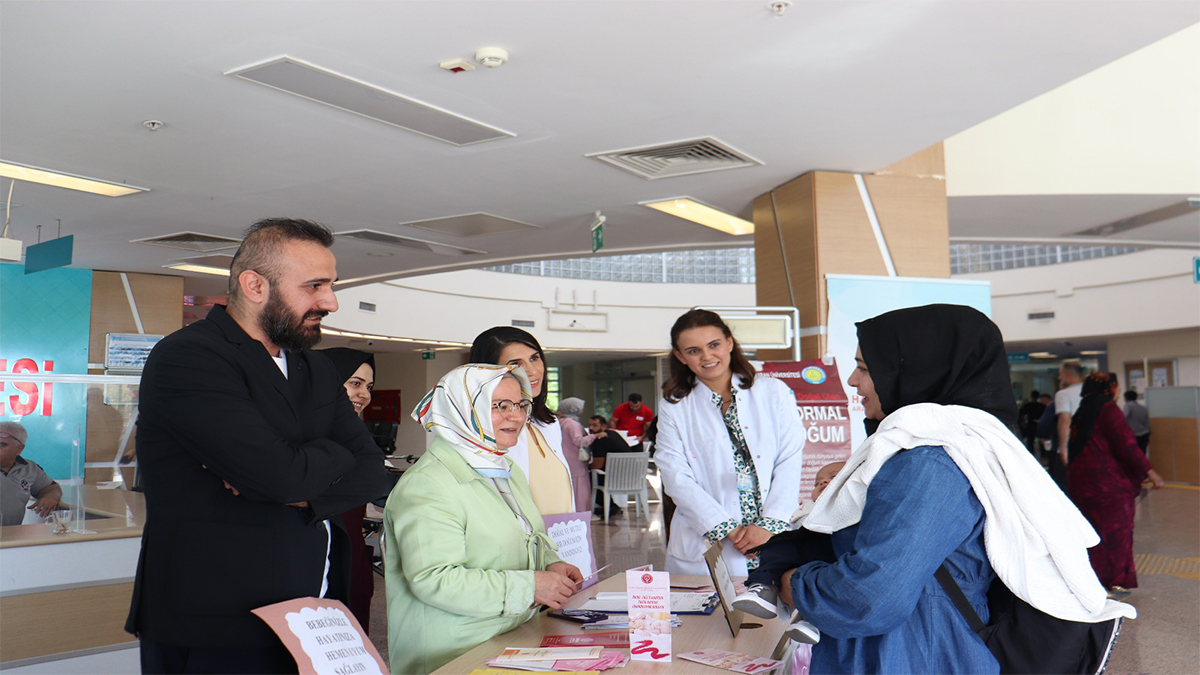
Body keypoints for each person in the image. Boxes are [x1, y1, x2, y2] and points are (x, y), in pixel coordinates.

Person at [779, 304, 1133, 674]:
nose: (853, 380)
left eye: (866, 369)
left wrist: (794, 582)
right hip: (933, 645)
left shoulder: (928, 463)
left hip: (911, 654)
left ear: (917, 371)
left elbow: (872, 596)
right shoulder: (960, 445)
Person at [125, 218, 391, 674]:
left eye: (331, 285)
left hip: (313, 614)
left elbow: (370, 469)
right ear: (254, 285)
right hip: (219, 622)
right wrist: (324, 459)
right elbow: (278, 475)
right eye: (314, 286)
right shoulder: (190, 357)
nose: (330, 301)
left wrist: (300, 472)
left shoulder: (314, 367)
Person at [386, 364, 582, 674]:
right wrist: (530, 587)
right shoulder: (428, 484)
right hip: (452, 653)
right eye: (499, 406)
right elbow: (434, 579)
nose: (515, 416)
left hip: (511, 636)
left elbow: (523, 533)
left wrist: (549, 563)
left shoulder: (503, 468)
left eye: (520, 405)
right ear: (462, 409)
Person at [654, 309, 805, 577]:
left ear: (729, 343)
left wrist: (769, 524)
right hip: (711, 541)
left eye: (714, 345)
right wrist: (725, 527)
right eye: (693, 350)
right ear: (680, 356)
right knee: (706, 617)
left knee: (771, 614)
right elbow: (675, 475)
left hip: (771, 536)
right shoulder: (674, 407)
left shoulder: (773, 392)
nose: (707, 356)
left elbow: (789, 458)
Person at [1067, 373, 1165, 598]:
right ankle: (1113, 581)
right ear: (1110, 387)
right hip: (1106, 485)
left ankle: (1090, 580)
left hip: (1080, 483)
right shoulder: (1107, 409)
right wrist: (1150, 471)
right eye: (1116, 386)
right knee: (1115, 533)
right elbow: (1126, 444)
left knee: (1091, 533)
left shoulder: (1083, 410)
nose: (1118, 390)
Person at [732, 460, 845, 644]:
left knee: (823, 579)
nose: (822, 483)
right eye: (817, 483)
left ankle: (811, 621)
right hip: (806, 552)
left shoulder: (857, 507)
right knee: (778, 545)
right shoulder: (807, 508)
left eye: (832, 478)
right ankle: (764, 589)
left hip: (830, 556)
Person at [469, 327, 575, 516]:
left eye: (534, 358)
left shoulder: (548, 424)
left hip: (563, 539)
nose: (532, 371)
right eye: (515, 363)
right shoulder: (482, 430)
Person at [317, 347, 378, 631]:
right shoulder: (307, 435)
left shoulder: (357, 437)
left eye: (368, 386)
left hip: (350, 555)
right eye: (355, 383)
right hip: (316, 555)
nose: (364, 394)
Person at [0, 422, 63, 526]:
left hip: (12, 535)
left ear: (19, 449)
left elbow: (51, 487)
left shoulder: (29, 468)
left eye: (2, 444)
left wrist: (51, 496)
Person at [584, 415, 634, 517]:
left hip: (614, 479)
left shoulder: (600, 439)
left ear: (603, 426)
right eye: (589, 425)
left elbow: (597, 465)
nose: (591, 428)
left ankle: (610, 506)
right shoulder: (614, 434)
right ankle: (607, 506)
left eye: (594, 425)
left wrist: (584, 467)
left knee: (586, 479)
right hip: (631, 477)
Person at [555, 397, 593, 513]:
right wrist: (595, 436)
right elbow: (579, 441)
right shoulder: (572, 424)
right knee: (580, 491)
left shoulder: (560, 422)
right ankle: (582, 515)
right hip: (576, 462)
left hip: (565, 459)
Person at [1056, 361, 1085, 467]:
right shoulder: (1093, 392)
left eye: (1061, 374)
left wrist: (1063, 448)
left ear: (1068, 375)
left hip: (1075, 443)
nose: (1059, 378)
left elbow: (1065, 421)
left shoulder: (1063, 394)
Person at [1017, 391, 1047, 456]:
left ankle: (1031, 453)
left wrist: (1023, 422)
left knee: (1030, 440)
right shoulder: (1042, 406)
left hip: (1031, 424)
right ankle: (1043, 454)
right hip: (1040, 424)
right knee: (1042, 439)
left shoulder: (1028, 405)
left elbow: (1021, 414)